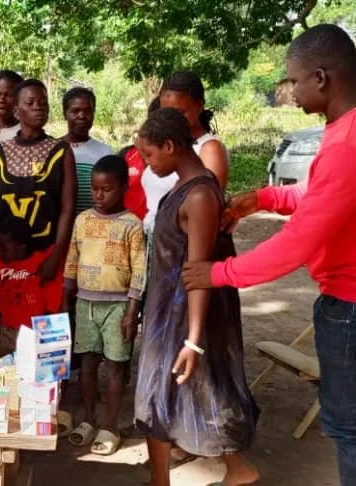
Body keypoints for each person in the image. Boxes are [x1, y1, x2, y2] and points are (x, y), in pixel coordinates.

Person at [181, 25, 356, 486]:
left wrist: (218, 273)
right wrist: (264, 198)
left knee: (350, 424)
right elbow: (329, 193)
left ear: (320, 78)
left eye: (294, 81)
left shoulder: (351, 143)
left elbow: (296, 244)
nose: (290, 91)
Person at [135, 108, 259, 486]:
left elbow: (200, 272)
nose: (146, 163)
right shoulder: (181, 186)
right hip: (166, 311)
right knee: (158, 394)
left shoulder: (201, 195)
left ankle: (237, 468)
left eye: (149, 154)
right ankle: (162, 478)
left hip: (186, 315)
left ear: (170, 146)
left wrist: (193, 339)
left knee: (188, 391)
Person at [63, 155, 145, 456]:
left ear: (123, 188)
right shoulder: (82, 220)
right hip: (85, 303)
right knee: (87, 363)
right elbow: (72, 259)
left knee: (115, 366)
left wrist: (132, 312)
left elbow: (140, 270)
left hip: (118, 307)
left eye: (107, 189)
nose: (99, 195)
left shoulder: (132, 225)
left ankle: (110, 426)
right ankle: (88, 419)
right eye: (95, 189)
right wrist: (66, 298)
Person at [0, 79, 77, 287]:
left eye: (43, 103)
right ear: (16, 110)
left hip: (46, 254)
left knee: (45, 306)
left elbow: (67, 209)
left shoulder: (61, 151)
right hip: (6, 257)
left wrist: (56, 256)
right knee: (7, 306)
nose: (38, 107)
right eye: (30, 102)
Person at [141, 72, 230, 233]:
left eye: (179, 112)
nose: (170, 119)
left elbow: (207, 211)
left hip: (182, 242)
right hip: (156, 238)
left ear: (199, 105)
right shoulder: (161, 146)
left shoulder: (209, 149)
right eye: (164, 111)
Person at [0, 217, 64, 357]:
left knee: (33, 366)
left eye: (2, 248)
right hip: (5, 330)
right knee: (5, 366)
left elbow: (53, 290)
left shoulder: (40, 263)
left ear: (21, 248)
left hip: (35, 330)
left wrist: (50, 314)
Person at [62, 87, 113, 214]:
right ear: (65, 114)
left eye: (88, 111)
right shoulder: (53, 149)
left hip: (94, 223)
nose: (82, 116)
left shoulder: (106, 152)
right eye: (75, 111)